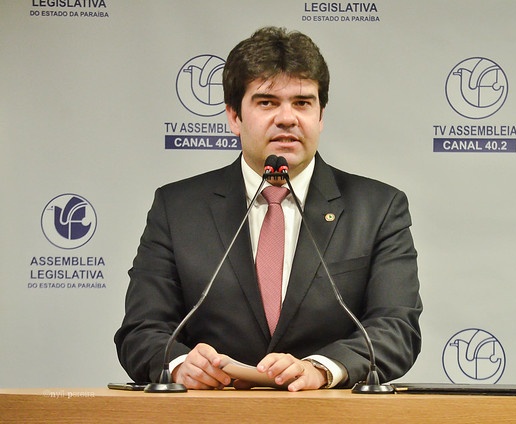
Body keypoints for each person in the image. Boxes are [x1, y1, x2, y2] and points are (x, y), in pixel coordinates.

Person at [114, 26, 422, 391]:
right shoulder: (177, 208)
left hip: (327, 412)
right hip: (211, 411)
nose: (287, 118)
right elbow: (141, 330)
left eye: (303, 103)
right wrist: (180, 365)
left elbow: (396, 328)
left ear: (320, 116)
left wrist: (321, 368)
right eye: (267, 102)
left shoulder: (378, 208)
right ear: (234, 116)